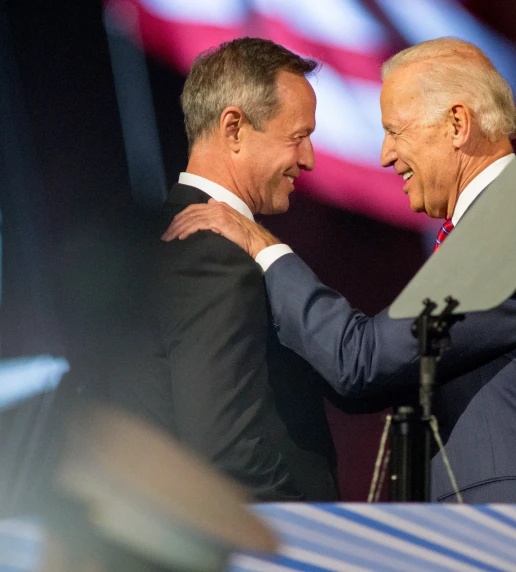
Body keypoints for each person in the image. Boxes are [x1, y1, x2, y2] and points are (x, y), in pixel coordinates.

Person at [163, 37, 516, 503]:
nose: (385, 154)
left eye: (396, 130)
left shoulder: (511, 230)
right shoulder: (497, 226)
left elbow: (363, 362)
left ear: (457, 124)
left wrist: (264, 246)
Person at [120, 37, 341, 501]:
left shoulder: (159, 242)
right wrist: (303, 540)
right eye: (297, 137)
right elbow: (225, 451)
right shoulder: (212, 252)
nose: (309, 159)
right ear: (234, 128)